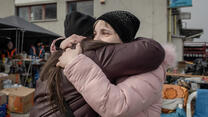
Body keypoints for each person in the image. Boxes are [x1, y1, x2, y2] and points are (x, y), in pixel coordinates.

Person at [31, 11, 166, 117]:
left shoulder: (149, 70)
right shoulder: (102, 58)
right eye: (94, 34)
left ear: (125, 43)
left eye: (105, 33)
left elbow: (117, 106)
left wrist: (72, 60)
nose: (96, 39)